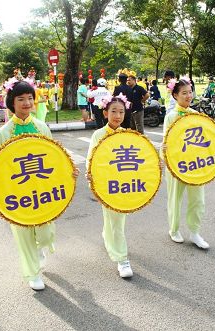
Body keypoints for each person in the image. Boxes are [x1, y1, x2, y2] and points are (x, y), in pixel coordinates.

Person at [0, 81, 79, 290]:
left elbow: (54, 157)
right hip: (18, 192)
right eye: (20, 99)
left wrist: (69, 171)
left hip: (42, 190)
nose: (26, 103)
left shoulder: (42, 127)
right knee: (23, 234)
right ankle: (32, 273)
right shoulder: (5, 133)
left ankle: (39, 248)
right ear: (11, 102)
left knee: (46, 233)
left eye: (29, 98)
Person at [86, 96, 135, 278]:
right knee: (115, 220)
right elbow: (91, 160)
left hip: (123, 185)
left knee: (116, 219)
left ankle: (109, 239)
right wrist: (92, 179)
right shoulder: (98, 135)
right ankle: (122, 259)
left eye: (121, 112)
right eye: (113, 111)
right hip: (106, 185)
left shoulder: (127, 134)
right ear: (105, 113)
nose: (118, 115)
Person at [161, 79, 209, 249]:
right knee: (175, 197)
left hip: (195, 164)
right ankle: (173, 229)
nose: (189, 96)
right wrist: (165, 151)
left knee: (198, 199)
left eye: (190, 92)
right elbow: (166, 142)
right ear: (175, 95)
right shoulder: (171, 117)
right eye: (184, 93)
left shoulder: (196, 114)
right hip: (176, 164)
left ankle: (195, 232)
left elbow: (206, 137)